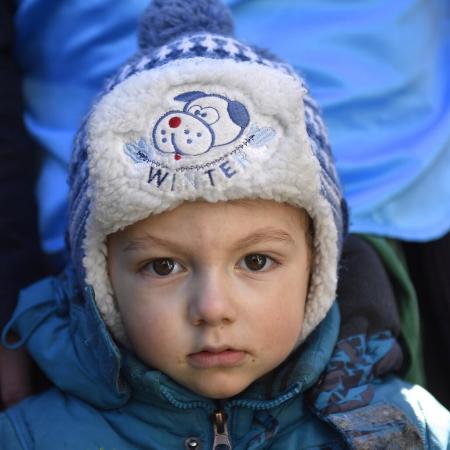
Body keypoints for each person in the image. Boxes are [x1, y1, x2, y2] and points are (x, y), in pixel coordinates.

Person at [1, 1, 448, 448]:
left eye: (256, 260)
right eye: (162, 266)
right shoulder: (29, 438)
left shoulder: (409, 430)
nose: (212, 308)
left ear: (318, 268)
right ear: (101, 282)